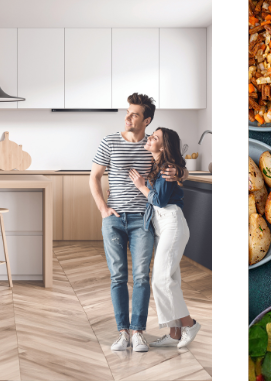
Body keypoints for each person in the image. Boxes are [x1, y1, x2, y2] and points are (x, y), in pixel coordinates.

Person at [89, 93, 186, 353]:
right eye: (127, 112)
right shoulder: (109, 141)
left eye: (134, 114)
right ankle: (122, 332)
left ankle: (138, 332)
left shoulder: (153, 145)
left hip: (143, 220)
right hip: (113, 218)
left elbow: (175, 165)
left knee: (142, 276)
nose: (127, 117)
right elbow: (94, 177)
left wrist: (181, 172)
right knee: (118, 275)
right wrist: (103, 209)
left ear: (147, 120)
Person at [128, 127, 201, 348]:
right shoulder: (158, 164)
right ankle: (174, 333)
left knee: (161, 280)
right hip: (163, 226)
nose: (150, 138)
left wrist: (140, 186)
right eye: (151, 136)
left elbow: (159, 200)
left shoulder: (168, 168)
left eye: (155, 137)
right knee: (171, 280)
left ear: (164, 146)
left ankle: (189, 324)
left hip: (172, 224)